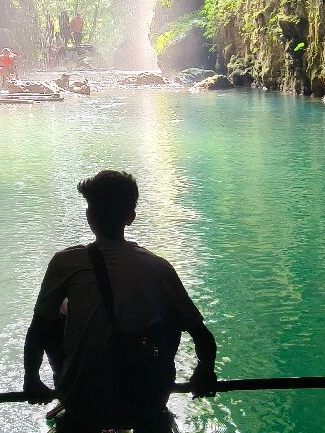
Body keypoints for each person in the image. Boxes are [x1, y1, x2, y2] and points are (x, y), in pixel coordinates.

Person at [23, 170, 217, 433]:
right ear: (130, 217)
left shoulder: (66, 263)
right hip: (145, 403)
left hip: (83, 403)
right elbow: (203, 337)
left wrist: (32, 378)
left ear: (89, 215)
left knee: (55, 312)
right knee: (170, 314)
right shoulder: (158, 268)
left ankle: (65, 387)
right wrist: (204, 371)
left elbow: (37, 330)